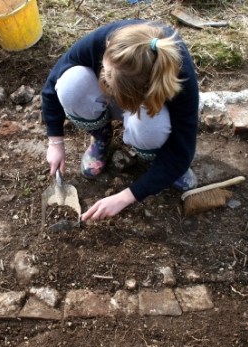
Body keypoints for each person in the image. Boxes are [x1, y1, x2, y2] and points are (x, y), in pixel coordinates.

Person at [41, 19, 199, 222]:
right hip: (134, 94)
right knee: (70, 85)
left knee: (152, 129)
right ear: (108, 47)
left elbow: (182, 150)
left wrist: (126, 196)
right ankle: (101, 136)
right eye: (104, 72)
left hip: (151, 109)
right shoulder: (108, 41)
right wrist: (55, 141)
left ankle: (158, 159)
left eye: (110, 81)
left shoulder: (179, 78)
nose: (104, 80)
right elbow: (51, 85)